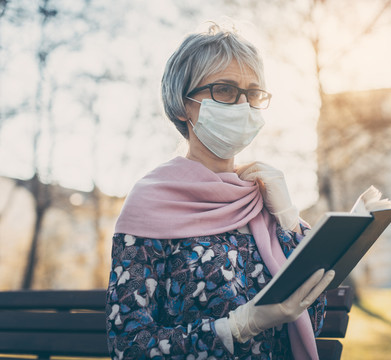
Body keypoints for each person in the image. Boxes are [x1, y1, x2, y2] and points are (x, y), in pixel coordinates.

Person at [105, 23, 335, 360]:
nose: (242, 105)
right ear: (183, 104)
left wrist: (288, 218)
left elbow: (312, 317)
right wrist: (236, 328)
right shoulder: (151, 203)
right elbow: (128, 345)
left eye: (253, 93)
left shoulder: (262, 199)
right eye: (225, 90)